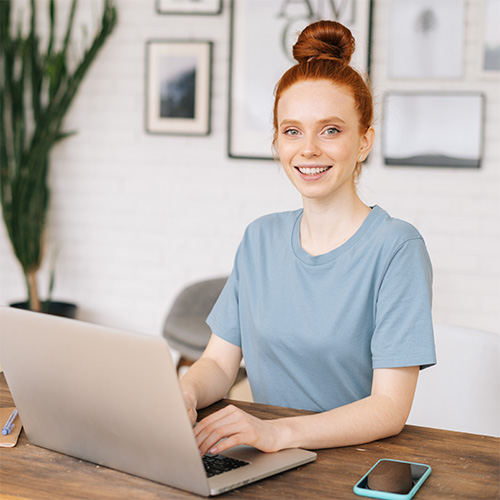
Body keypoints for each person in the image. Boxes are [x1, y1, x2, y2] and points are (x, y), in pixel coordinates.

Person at [180, 20, 436, 457]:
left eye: (331, 130)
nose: (309, 149)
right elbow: (218, 364)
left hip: (344, 463)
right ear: (278, 140)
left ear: (364, 142)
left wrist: (278, 434)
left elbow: (389, 407)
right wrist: (183, 395)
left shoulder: (396, 248)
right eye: (292, 130)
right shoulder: (259, 238)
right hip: (262, 457)